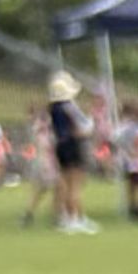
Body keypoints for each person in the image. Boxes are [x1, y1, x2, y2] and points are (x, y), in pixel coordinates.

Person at [43, 71, 93, 233]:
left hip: (61, 146)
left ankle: (66, 216)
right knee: (75, 185)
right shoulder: (69, 107)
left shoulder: (53, 109)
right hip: (73, 146)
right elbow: (84, 127)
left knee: (65, 183)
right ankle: (74, 218)